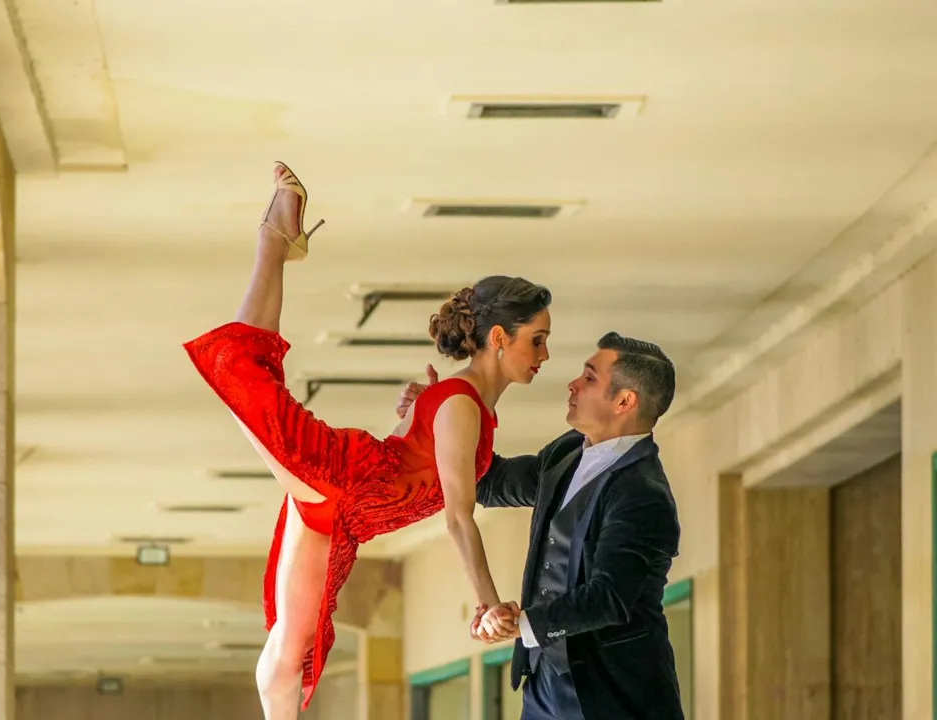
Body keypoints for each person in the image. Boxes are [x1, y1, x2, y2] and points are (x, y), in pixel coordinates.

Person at [181, 162, 551, 719]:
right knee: (240, 371)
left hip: (346, 518)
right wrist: (486, 603)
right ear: (499, 337)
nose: (544, 355)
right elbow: (458, 517)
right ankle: (273, 239)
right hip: (337, 477)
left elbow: (410, 458)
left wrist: (416, 415)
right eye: (537, 340)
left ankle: (278, 242)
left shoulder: (462, 404)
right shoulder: (460, 401)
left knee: (288, 657)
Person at [396, 333, 684, 720]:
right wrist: (437, 422)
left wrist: (522, 625)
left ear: (624, 401)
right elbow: (490, 483)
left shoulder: (643, 493)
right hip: (542, 688)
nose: (573, 384)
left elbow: (609, 597)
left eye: (589, 377)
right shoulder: (566, 452)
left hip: (614, 697)